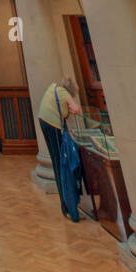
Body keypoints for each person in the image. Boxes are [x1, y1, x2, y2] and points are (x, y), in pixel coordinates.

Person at [37, 77, 82, 220]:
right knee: (60, 163)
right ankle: (67, 204)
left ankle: (66, 203)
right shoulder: (64, 93)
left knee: (57, 160)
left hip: (43, 121)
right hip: (53, 125)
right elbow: (76, 109)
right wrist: (68, 108)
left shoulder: (53, 87)